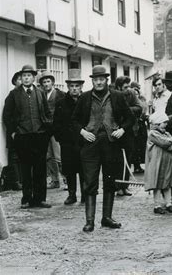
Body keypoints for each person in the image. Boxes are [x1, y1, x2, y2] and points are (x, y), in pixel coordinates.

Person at [72, 65, 135, 232]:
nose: (98, 82)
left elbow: (130, 118)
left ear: (107, 80)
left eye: (101, 79)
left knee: (109, 181)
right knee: (90, 182)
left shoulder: (117, 96)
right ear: (92, 81)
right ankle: (90, 221)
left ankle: (106, 218)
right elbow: (74, 121)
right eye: (95, 79)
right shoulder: (84, 98)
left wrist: (122, 129)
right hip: (90, 145)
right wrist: (83, 132)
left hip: (110, 144)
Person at [3, 64, 53, 209]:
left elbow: (47, 113)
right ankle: (26, 199)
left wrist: (47, 131)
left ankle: (40, 199)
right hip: (23, 137)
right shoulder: (14, 94)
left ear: (33, 77)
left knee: (40, 169)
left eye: (29, 76)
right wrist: (13, 133)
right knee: (25, 169)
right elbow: (7, 115)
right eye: (24, 76)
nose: (26, 78)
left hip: (39, 136)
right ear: (21, 78)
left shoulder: (40, 93)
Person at [53, 70, 85, 205]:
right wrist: (61, 139)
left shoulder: (86, 101)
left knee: (84, 169)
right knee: (70, 170)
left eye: (77, 86)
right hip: (68, 143)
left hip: (83, 142)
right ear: (68, 87)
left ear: (81, 87)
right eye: (72, 86)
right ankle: (72, 194)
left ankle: (85, 194)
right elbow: (56, 123)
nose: (74, 89)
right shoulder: (61, 103)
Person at [115, 76, 143, 196]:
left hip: (130, 130)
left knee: (128, 158)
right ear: (118, 87)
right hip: (116, 131)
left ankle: (125, 186)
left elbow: (139, 107)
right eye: (125, 87)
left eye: (128, 86)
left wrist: (126, 110)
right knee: (117, 160)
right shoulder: (113, 94)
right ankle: (118, 187)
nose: (128, 89)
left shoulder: (131, 93)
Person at [144, 112, 172, 215]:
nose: (166, 124)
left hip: (166, 161)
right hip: (156, 161)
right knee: (157, 183)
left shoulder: (166, 133)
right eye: (164, 122)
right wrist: (170, 143)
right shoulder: (153, 133)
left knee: (166, 183)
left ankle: (169, 203)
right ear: (158, 122)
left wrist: (170, 143)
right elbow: (165, 142)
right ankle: (157, 205)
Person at [40, 71, 65, 189]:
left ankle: (66, 179)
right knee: (48, 156)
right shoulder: (40, 95)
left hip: (57, 130)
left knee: (59, 156)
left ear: (53, 82)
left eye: (48, 81)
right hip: (45, 130)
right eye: (44, 82)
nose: (46, 84)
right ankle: (55, 180)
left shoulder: (60, 95)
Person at [1, 71, 23, 191]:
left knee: (23, 156)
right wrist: (13, 131)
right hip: (15, 133)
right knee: (14, 156)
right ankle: (15, 181)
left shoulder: (24, 94)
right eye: (19, 79)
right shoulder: (11, 96)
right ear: (15, 81)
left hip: (24, 132)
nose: (21, 81)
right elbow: (7, 116)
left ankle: (23, 180)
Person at [130, 81, 147, 174]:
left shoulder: (142, 101)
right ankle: (136, 165)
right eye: (134, 93)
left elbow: (144, 111)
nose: (136, 94)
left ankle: (138, 165)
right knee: (134, 147)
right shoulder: (130, 102)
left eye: (137, 93)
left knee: (140, 146)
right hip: (134, 127)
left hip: (141, 126)